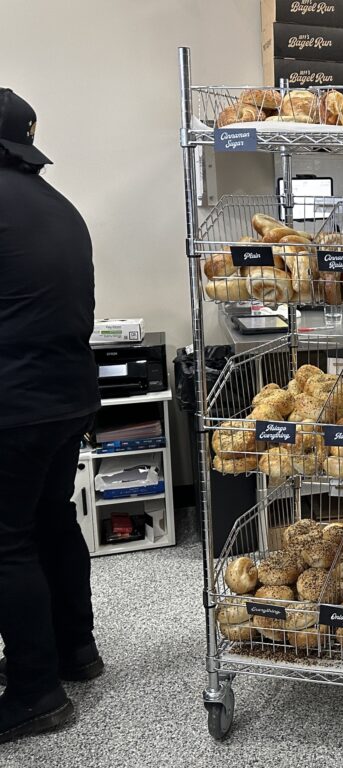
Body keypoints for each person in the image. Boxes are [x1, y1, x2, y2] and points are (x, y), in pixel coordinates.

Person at [0, 88, 104, 744]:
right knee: (52, 521)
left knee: (5, 542)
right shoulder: (56, 203)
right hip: (68, 396)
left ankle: (36, 692)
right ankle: (76, 653)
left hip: (14, 402)